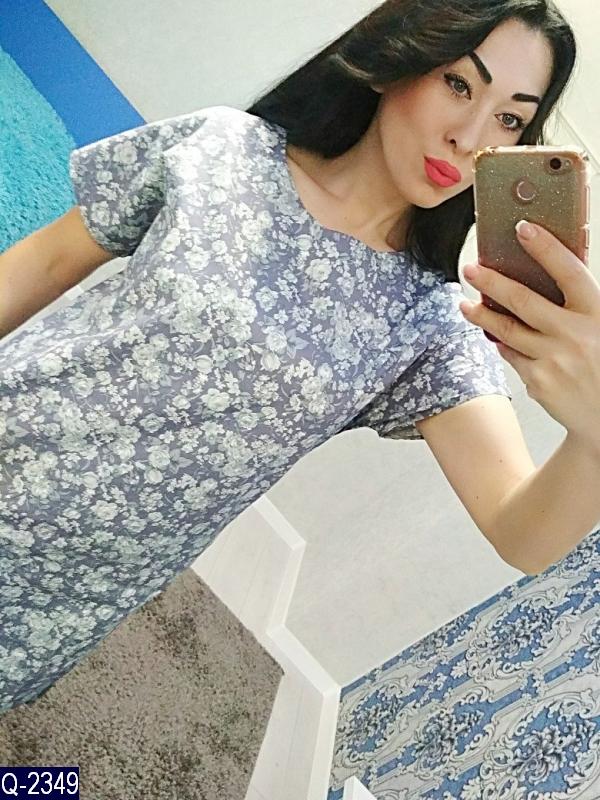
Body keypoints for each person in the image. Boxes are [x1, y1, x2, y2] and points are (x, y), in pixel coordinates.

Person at [1, 0, 598, 715]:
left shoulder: (427, 326)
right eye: (457, 83)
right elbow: (48, 260)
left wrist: (594, 431)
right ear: (398, 59)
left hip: (66, 587)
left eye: (510, 120)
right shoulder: (226, 147)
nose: (469, 138)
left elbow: (522, 533)